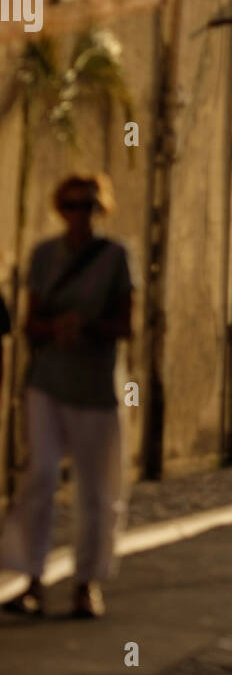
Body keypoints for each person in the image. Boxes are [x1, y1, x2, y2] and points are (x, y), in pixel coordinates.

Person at [1, 174, 134, 619]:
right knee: (39, 476)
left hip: (97, 388)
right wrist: (55, 329)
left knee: (97, 491)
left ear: (102, 209)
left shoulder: (116, 258)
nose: (82, 214)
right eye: (74, 205)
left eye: (90, 205)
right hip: (48, 382)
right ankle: (31, 579)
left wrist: (88, 328)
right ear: (62, 209)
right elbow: (29, 323)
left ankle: (86, 584)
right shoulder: (44, 256)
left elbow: (126, 324)